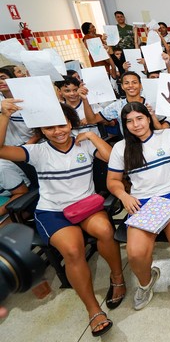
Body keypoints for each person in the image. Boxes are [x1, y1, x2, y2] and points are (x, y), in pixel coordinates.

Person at [0, 99, 125, 337]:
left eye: (62, 125)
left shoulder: (84, 143)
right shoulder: (36, 151)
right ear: (42, 131)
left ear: (71, 123)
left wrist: (93, 137)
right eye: (49, 128)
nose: (57, 131)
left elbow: (113, 159)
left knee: (105, 231)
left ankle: (117, 279)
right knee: (72, 250)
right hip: (53, 211)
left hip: (85, 206)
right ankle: (93, 309)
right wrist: (4, 115)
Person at [106, 102, 170, 310]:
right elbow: (112, 180)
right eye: (129, 121)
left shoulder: (166, 136)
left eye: (139, 118)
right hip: (142, 200)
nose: (135, 124)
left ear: (148, 118)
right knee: (136, 253)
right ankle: (146, 283)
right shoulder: (121, 148)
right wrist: (123, 195)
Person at [0, 159, 30, 224]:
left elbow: (22, 193)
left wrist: (1, 211)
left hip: (21, 196)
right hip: (3, 196)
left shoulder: (2, 169)